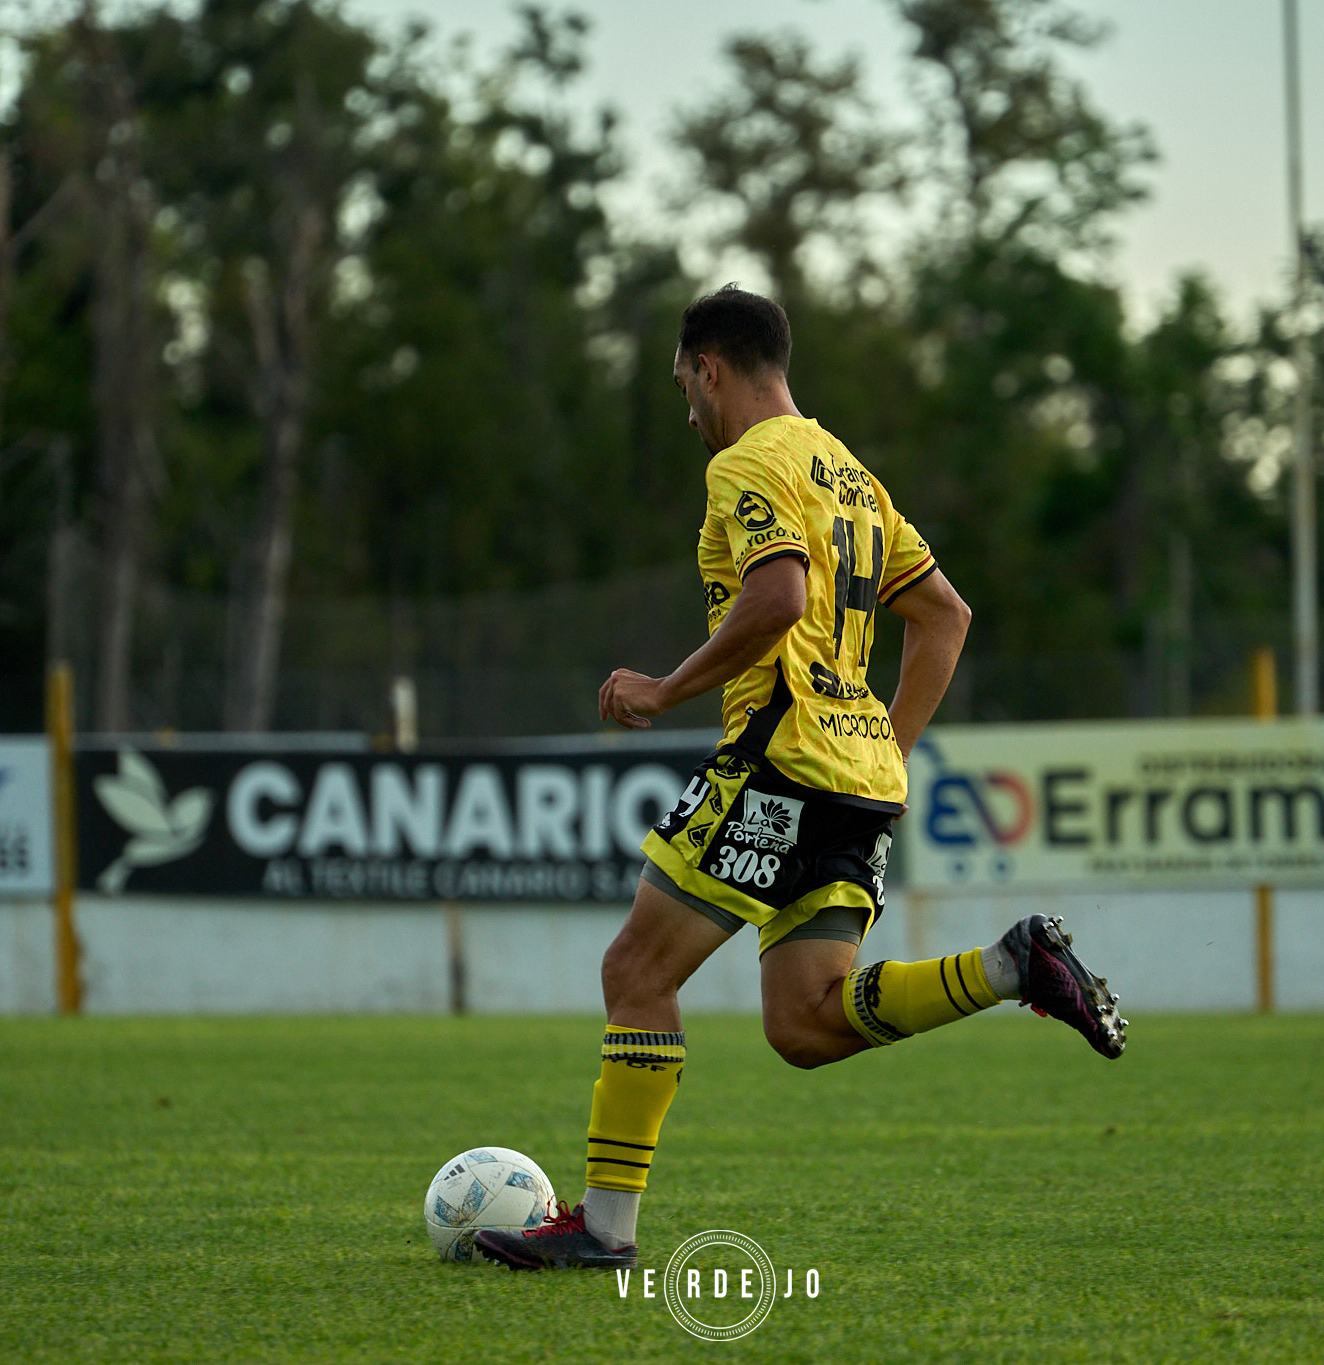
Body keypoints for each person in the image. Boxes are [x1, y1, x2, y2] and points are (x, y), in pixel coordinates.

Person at [475, 286, 1125, 1272]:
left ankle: (603, 1229)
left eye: (682, 387)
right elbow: (944, 617)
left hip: (780, 761)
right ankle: (1010, 966)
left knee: (636, 972)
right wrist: (884, 749)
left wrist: (665, 689)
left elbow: (777, 597)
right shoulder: (850, 475)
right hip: (857, 779)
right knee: (805, 1023)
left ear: (708, 369)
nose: (687, 412)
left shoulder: (746, 462)